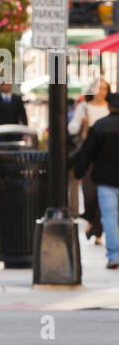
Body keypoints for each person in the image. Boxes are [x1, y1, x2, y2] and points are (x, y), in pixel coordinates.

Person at [73, 89, 119, 270]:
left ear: (108, 105)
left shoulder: (100, 126)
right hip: (107, 179)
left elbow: (86, 153)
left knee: (109, 217)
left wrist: (78, 172)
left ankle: (114, 256)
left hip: (106, 180)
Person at [68, 78, 111, 244]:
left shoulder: (110, 108)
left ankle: (97, 231)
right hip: (89, 156)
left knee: (105, 194)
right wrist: (82, 123)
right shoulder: (84, 107)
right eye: (99, 88)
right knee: (90, 193)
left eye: (104, 89)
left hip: (107, 156)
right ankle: (92, 222)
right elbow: (72, 129)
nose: (101, 92)